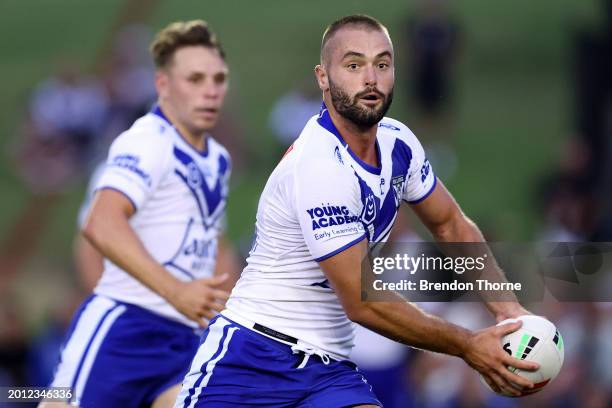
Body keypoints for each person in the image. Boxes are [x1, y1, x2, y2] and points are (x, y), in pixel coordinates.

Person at [175, 15, 538, 407]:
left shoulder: (400, 143)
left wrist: (509, 311)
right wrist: (469, 345)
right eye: (353, 65)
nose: (370, 78)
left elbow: (450, 225)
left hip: (328, 369)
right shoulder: (320, 166)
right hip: (251, 359)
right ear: (322, 77)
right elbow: (361, 301)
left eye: (382, 64)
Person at [42, 20, 239, 408]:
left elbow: (214, 243)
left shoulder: (216, 158)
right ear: (163, 85)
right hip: (127, 329)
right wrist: (176, 291)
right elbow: (100, 225)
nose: (210, 90)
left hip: (185, 339)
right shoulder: (147, 142)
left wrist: (229, 312)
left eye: (218, 78)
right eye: (195, 78)